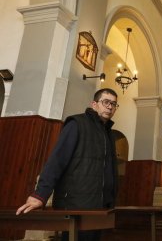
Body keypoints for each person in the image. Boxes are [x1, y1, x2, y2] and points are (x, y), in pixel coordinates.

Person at [16, 88, 119, 241]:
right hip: (77, 203)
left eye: (114, 104)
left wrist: (111, 198)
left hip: (101, 204)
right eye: (106, 102)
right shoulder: (77, 123)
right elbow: (57, 160)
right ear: (94, 104)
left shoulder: (109, 133)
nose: (110, 107)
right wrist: (40, 195)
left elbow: (110, 169)